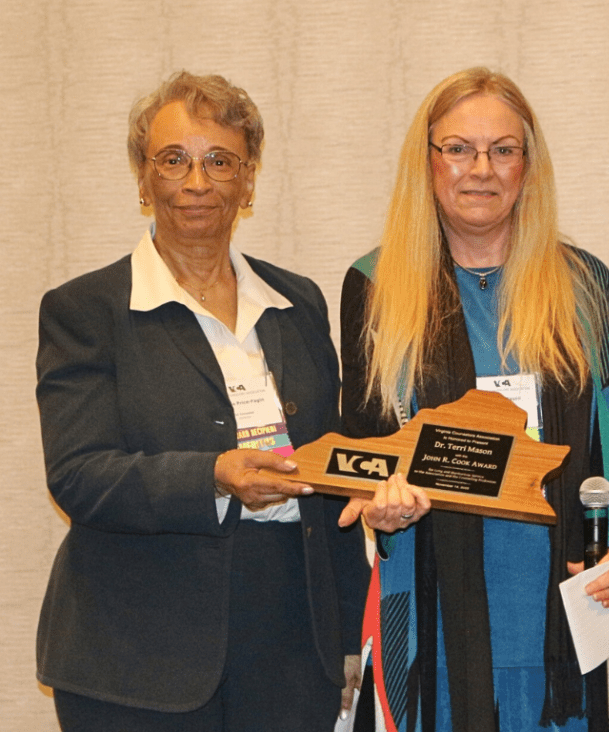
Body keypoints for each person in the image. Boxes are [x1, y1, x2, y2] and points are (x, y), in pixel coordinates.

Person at [336, 67, 609, 732]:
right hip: (429, 622)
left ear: (528, 165)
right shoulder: (375, 288)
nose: (480, 169)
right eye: (457, 148)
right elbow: (364, 454)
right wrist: (381, 504)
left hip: (571, 624)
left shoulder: (586, 289)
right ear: (426, 163)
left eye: (503, 149)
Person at [35, 71, 369, 731]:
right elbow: (78, 473)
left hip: (291, 645)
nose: (197, 183)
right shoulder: (86, 310)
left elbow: (331, 463)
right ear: (142, 177)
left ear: (248, 180)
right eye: (173, 160)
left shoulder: (297, 301)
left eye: (220, 161)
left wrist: (349, 634)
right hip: (137, 659)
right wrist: (212, 475)